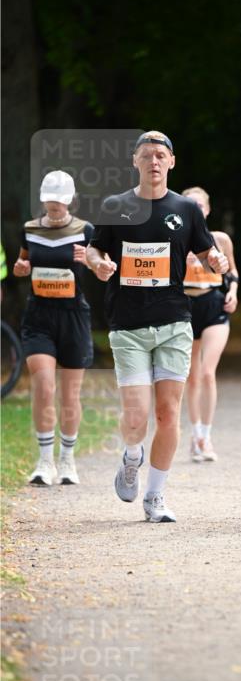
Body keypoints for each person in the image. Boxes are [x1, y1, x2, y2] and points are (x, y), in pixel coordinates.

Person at [86, 130, 228, 522]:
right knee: (137, 417)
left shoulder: (185, 209)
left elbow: (208, 250)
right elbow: (97, 247)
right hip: (128, 326)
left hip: (174, 323)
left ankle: (155, 496)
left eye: (160, 156)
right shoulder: (116, 205)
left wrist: (218, 262)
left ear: (171, 162)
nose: (153, 162)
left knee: (168, 414)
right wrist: (98, 263)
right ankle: (132, 456)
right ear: (135, 161)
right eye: (146, 155)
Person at [13, 170, 94, 486]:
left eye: (60, 201)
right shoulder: (30, 230)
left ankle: (67, 459)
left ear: (70, 200)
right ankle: (44, 460)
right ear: (43, 198)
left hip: (73, 316)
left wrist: (89, 259)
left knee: (70, 394)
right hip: (39, 316)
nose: (55, 206)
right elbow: (24, 263)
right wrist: (22, 269)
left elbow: (106, 268)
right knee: (44, 385)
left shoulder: (85, 230)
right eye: (50, 200)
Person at [181, 186, 239, 462]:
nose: (196, 210)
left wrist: (233, 292)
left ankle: (206, 435)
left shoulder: (220, 239)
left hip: (214, 305)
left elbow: (233, 271)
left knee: (207, 372)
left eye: (200, 206)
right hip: (185, 307)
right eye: (189, 204)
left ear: (207, 209)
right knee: (191, 377)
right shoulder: (175, 239)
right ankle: (195, 436)